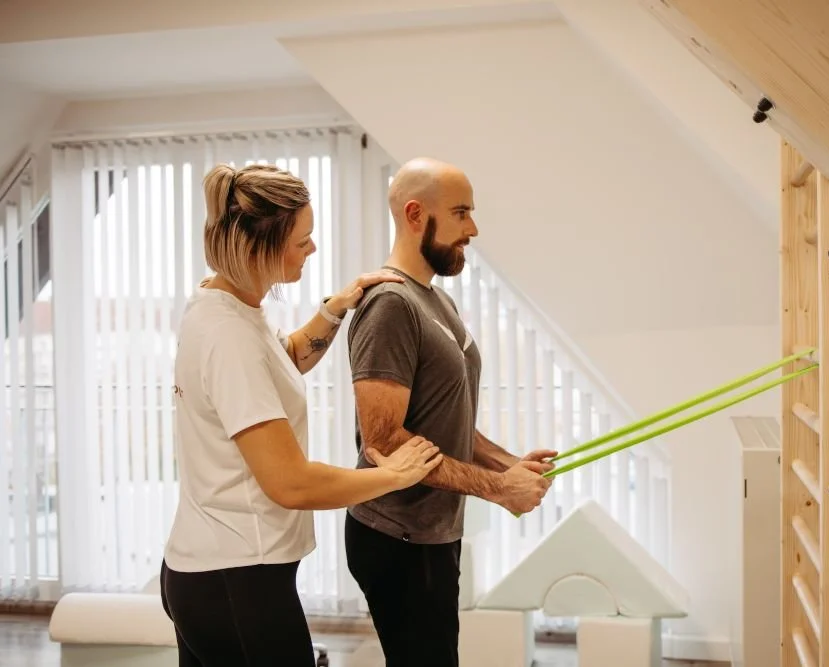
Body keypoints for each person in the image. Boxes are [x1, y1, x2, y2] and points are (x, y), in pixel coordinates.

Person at [159, 163, 443, 667]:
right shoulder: (229, 337)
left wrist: (334, 309)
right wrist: (391, 476)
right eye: (302, 241)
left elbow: (280, 362)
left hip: (209, 573)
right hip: (236, 580)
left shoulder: (223, 305)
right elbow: (290, 483)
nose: (312, 250)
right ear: (256, 248)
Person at [344, 157, 556, 667]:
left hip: (435, 531)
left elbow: (448, 419)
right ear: (416, 214)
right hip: (396, 536)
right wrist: (499, 489)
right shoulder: (390, 305)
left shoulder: (437, 303)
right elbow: (386, 442)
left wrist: (508, 464)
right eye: (461, 213)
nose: (473, 229)